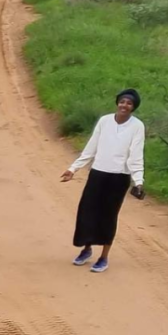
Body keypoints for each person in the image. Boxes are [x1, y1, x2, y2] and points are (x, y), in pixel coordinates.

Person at [60, 89, 146, 273]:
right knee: (87, 212)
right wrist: (73, 168)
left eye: (129, 103)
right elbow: (91, 148)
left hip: (119, 177)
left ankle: (104, 257)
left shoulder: (137, 126)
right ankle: (86, 249)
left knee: (108, 216)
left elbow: (136, 156)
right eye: (122, 101)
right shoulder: (105, 121)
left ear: (133, 108)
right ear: (117, 103)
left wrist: (138, 181)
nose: (125, 105)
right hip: (98, 173)